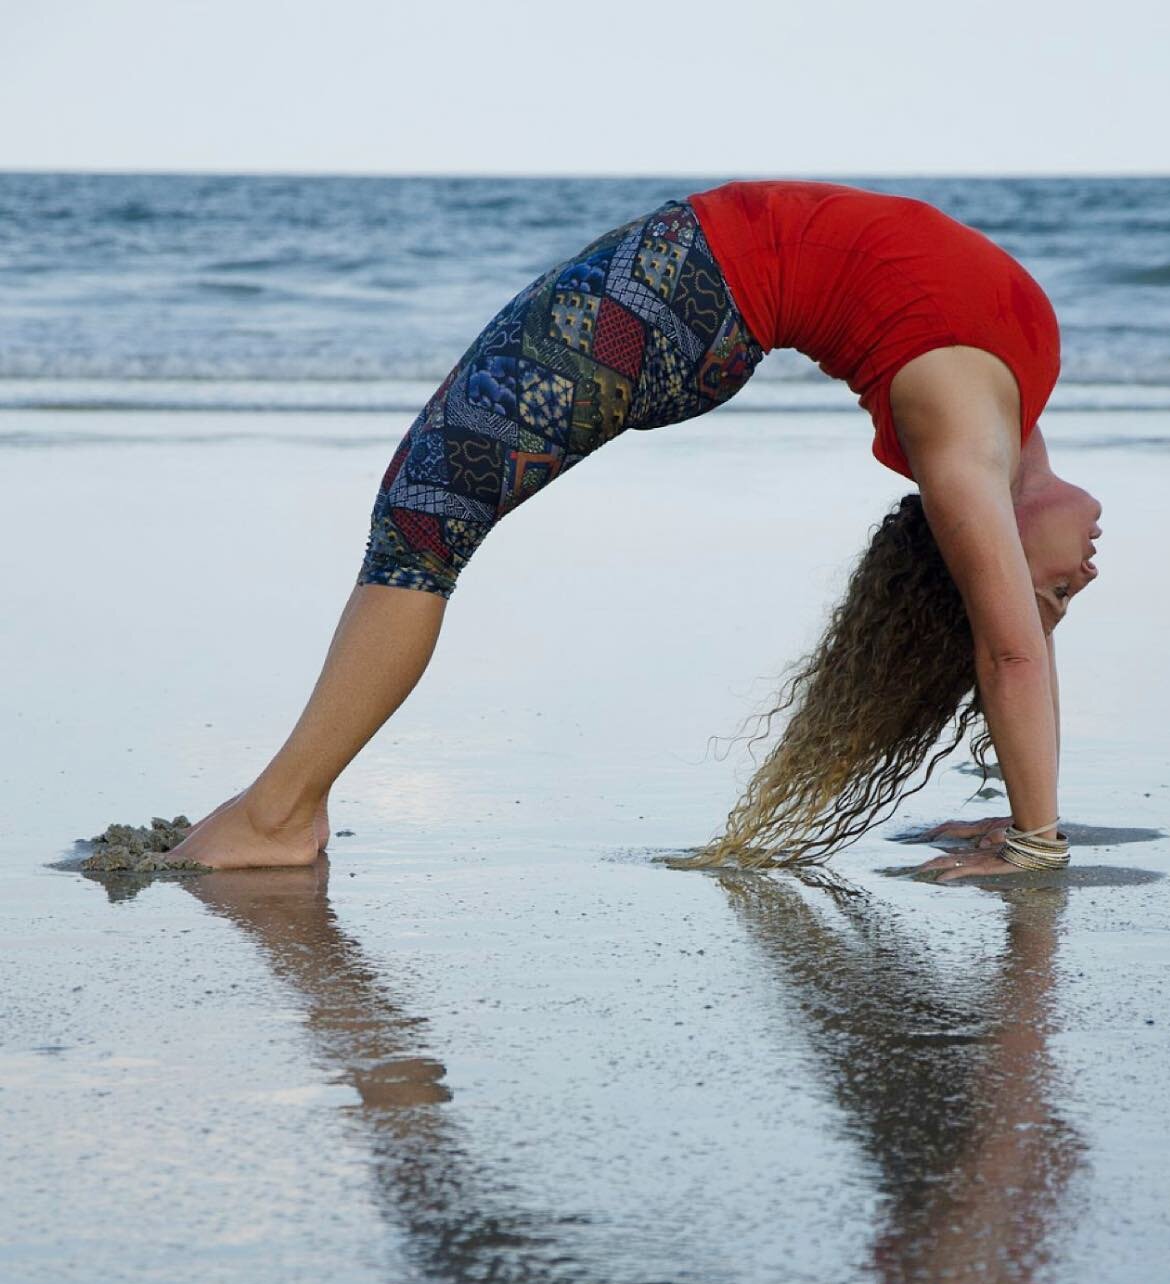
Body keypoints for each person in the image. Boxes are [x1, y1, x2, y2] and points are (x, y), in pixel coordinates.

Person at [157, 181, 1102, 877]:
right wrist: (1031, 812)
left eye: (1052, 594)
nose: (1081, 583)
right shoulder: (1012, 407)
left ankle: (280, 814)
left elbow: (1010, 649)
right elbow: (1012, 641)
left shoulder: (963, 455)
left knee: (421, 522)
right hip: (683, 278)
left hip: (680, 301)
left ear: (988, 546)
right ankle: (284, 812)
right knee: (420, 512)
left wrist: (1033, 844)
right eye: (1058, 595)